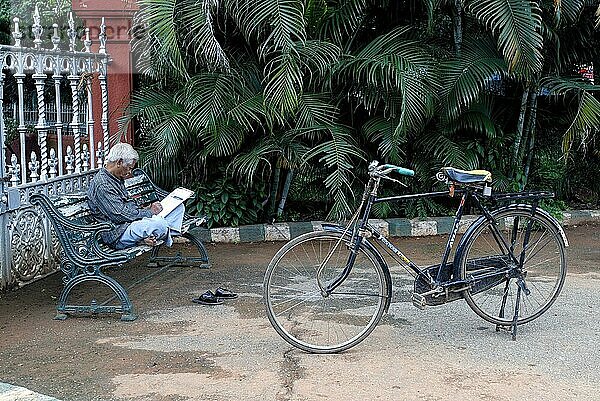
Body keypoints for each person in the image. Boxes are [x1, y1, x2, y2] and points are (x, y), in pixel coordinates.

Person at [87, 142, 185, 250]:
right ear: (119, 162)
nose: (129, 172)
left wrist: (146, 209)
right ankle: (163, 233)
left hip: (132, 223)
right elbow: (119, 215)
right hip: (119, 232)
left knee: (178, 207)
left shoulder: (115, 178)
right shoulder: (103, 185)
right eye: (128, 168)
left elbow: (128, 206)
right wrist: (150, 212)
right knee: (159, 224)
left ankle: (154, 235)